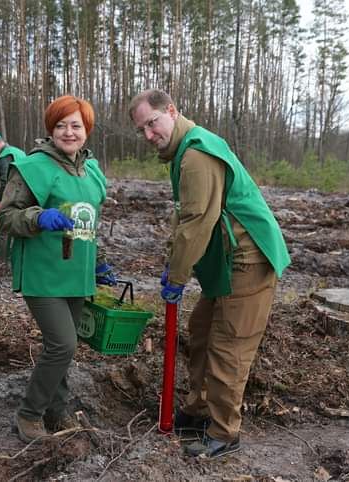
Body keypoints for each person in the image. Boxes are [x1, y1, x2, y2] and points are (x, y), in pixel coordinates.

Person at [128, 89, 291, 458]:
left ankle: (224, 433)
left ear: (171, 110)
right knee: (201, 332)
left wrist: (178, 276)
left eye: (152, 124)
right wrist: (174, 263)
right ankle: (199, 410)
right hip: (226, 260)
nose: (149, 135)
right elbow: (185, 217)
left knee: (227, 347)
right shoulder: (182, 152)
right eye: (142, 130)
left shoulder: (197, 154)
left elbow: (196, 222)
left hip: (248, 259)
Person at [0, 95, 108, 443]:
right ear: (51, 130)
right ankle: (29, 415)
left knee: (63, 346)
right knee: (63, 345)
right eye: (61, 125)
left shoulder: (92, 170)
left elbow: (91, 223)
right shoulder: (33, 167)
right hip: (42, 273)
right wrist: (38, 216)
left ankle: (56, 411)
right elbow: (5, 218)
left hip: (76, 274)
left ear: (87, 130)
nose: (68, 132)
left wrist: (99, 262)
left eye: (76, 125)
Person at [0, 131, 26, 203]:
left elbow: (5, 183)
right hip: (26, 191)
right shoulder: (16, 151)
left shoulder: (5, 156)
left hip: (18, 196)